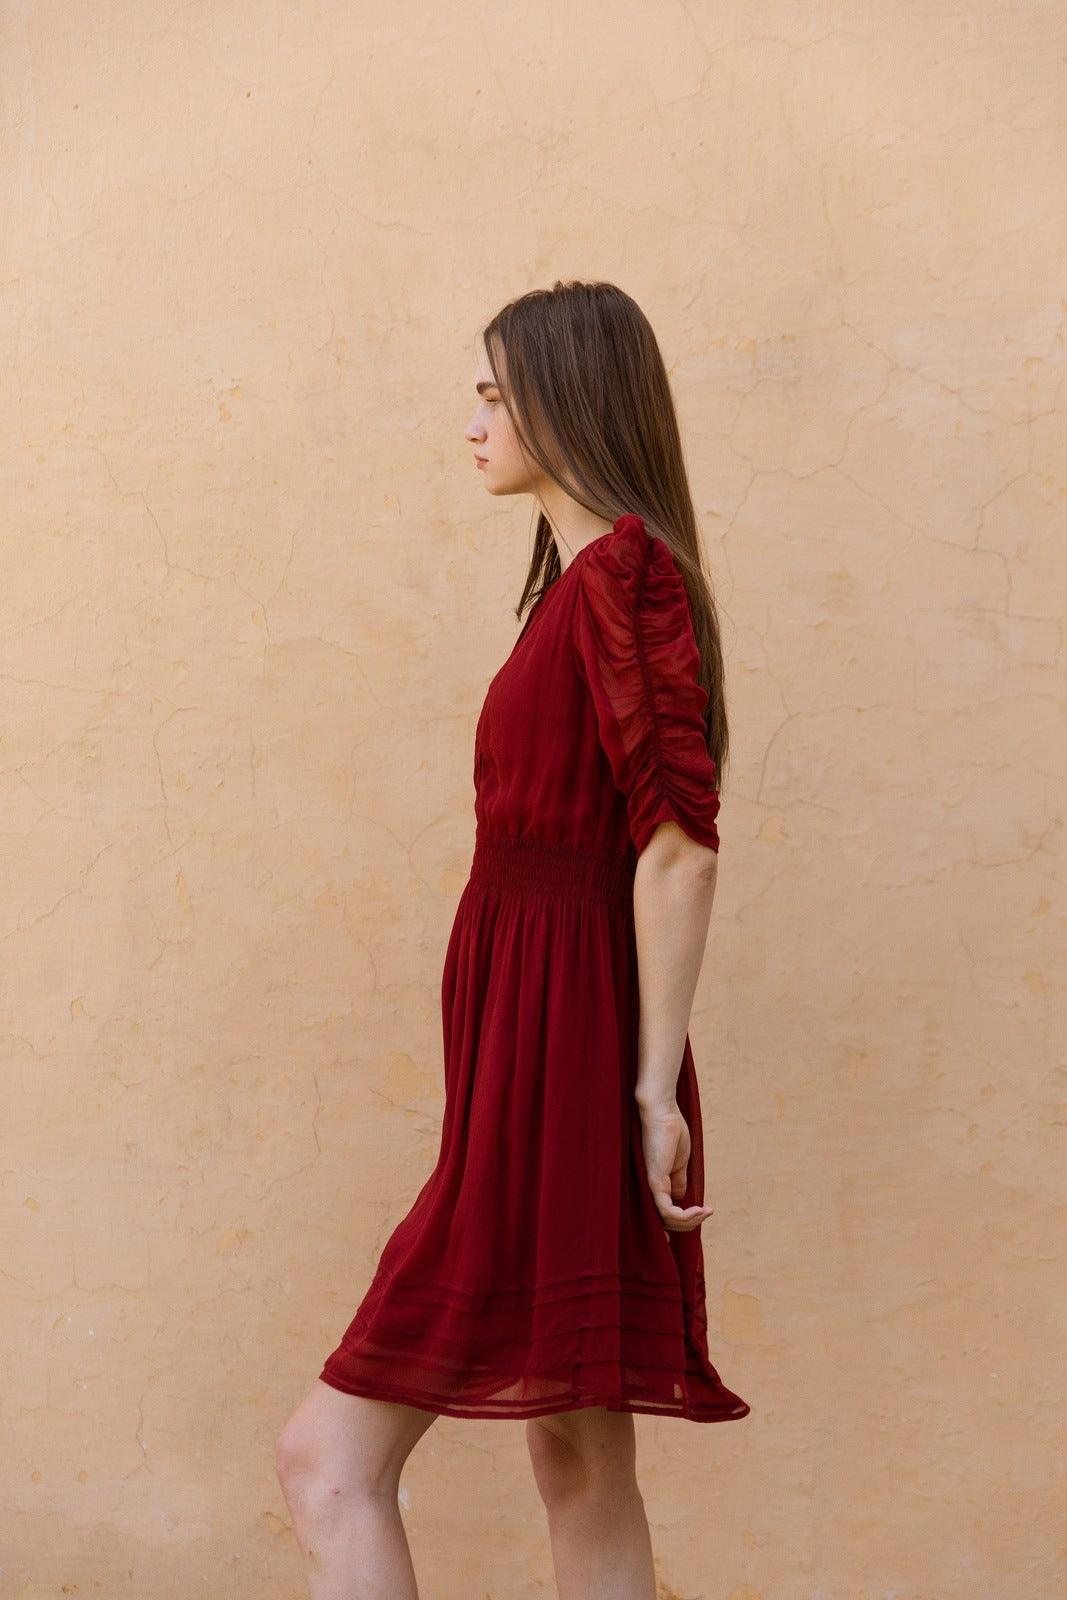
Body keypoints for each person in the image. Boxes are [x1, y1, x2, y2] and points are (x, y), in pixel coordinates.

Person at [275, 279, 750, 1600]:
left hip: (570, 1059)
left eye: (496, 392)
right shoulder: (584, 589)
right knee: (577, 1454)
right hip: (531, 1057)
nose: (474, 421)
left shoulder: (623, 581)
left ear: (567, 398)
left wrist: (649, 1093)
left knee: (329, 1460)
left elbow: (678, 846)